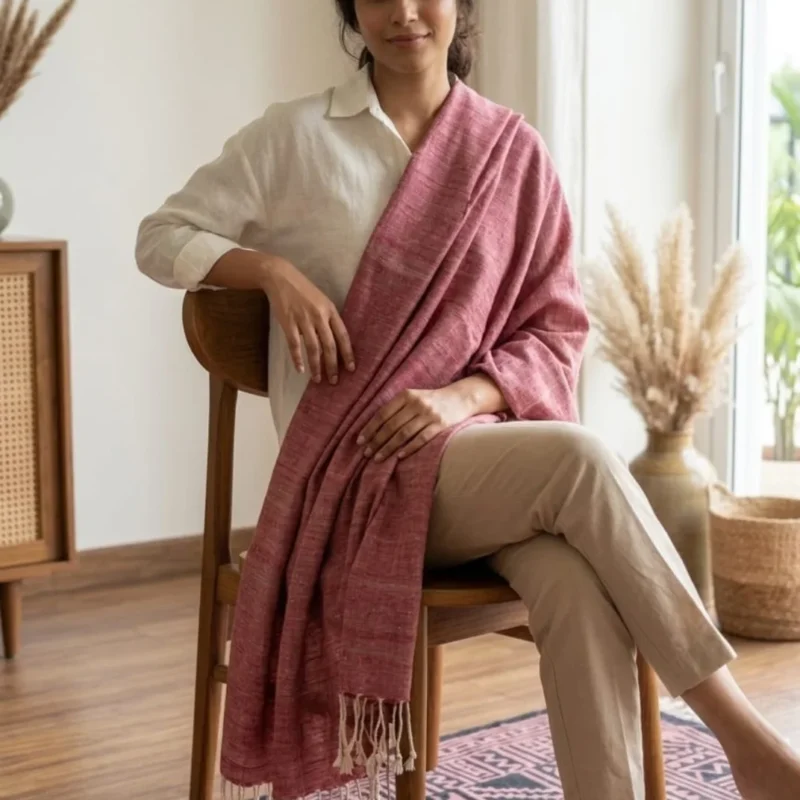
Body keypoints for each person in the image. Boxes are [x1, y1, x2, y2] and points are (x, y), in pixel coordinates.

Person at [135, 2, 800, 798]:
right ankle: (743, 736)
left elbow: (555, 329)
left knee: (573, 583)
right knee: (581, 459)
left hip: (482, 462)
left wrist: (462, 398)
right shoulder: (297, 137)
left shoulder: (510, 151)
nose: (404, 12)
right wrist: (272, 273)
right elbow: (161, 236)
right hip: (357, 477)